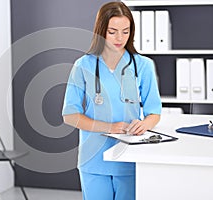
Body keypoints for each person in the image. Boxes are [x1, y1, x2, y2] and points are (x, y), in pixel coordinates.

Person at [62, 2, 162, 200]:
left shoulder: (143, 65)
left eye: (125, 32)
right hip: (93, 159)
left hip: (129, 158)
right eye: (112, 31)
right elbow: (70, 116)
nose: (119, 38)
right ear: (101, 31)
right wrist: (108, 126)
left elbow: (154, 113)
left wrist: (143, 125)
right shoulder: (83, 65)